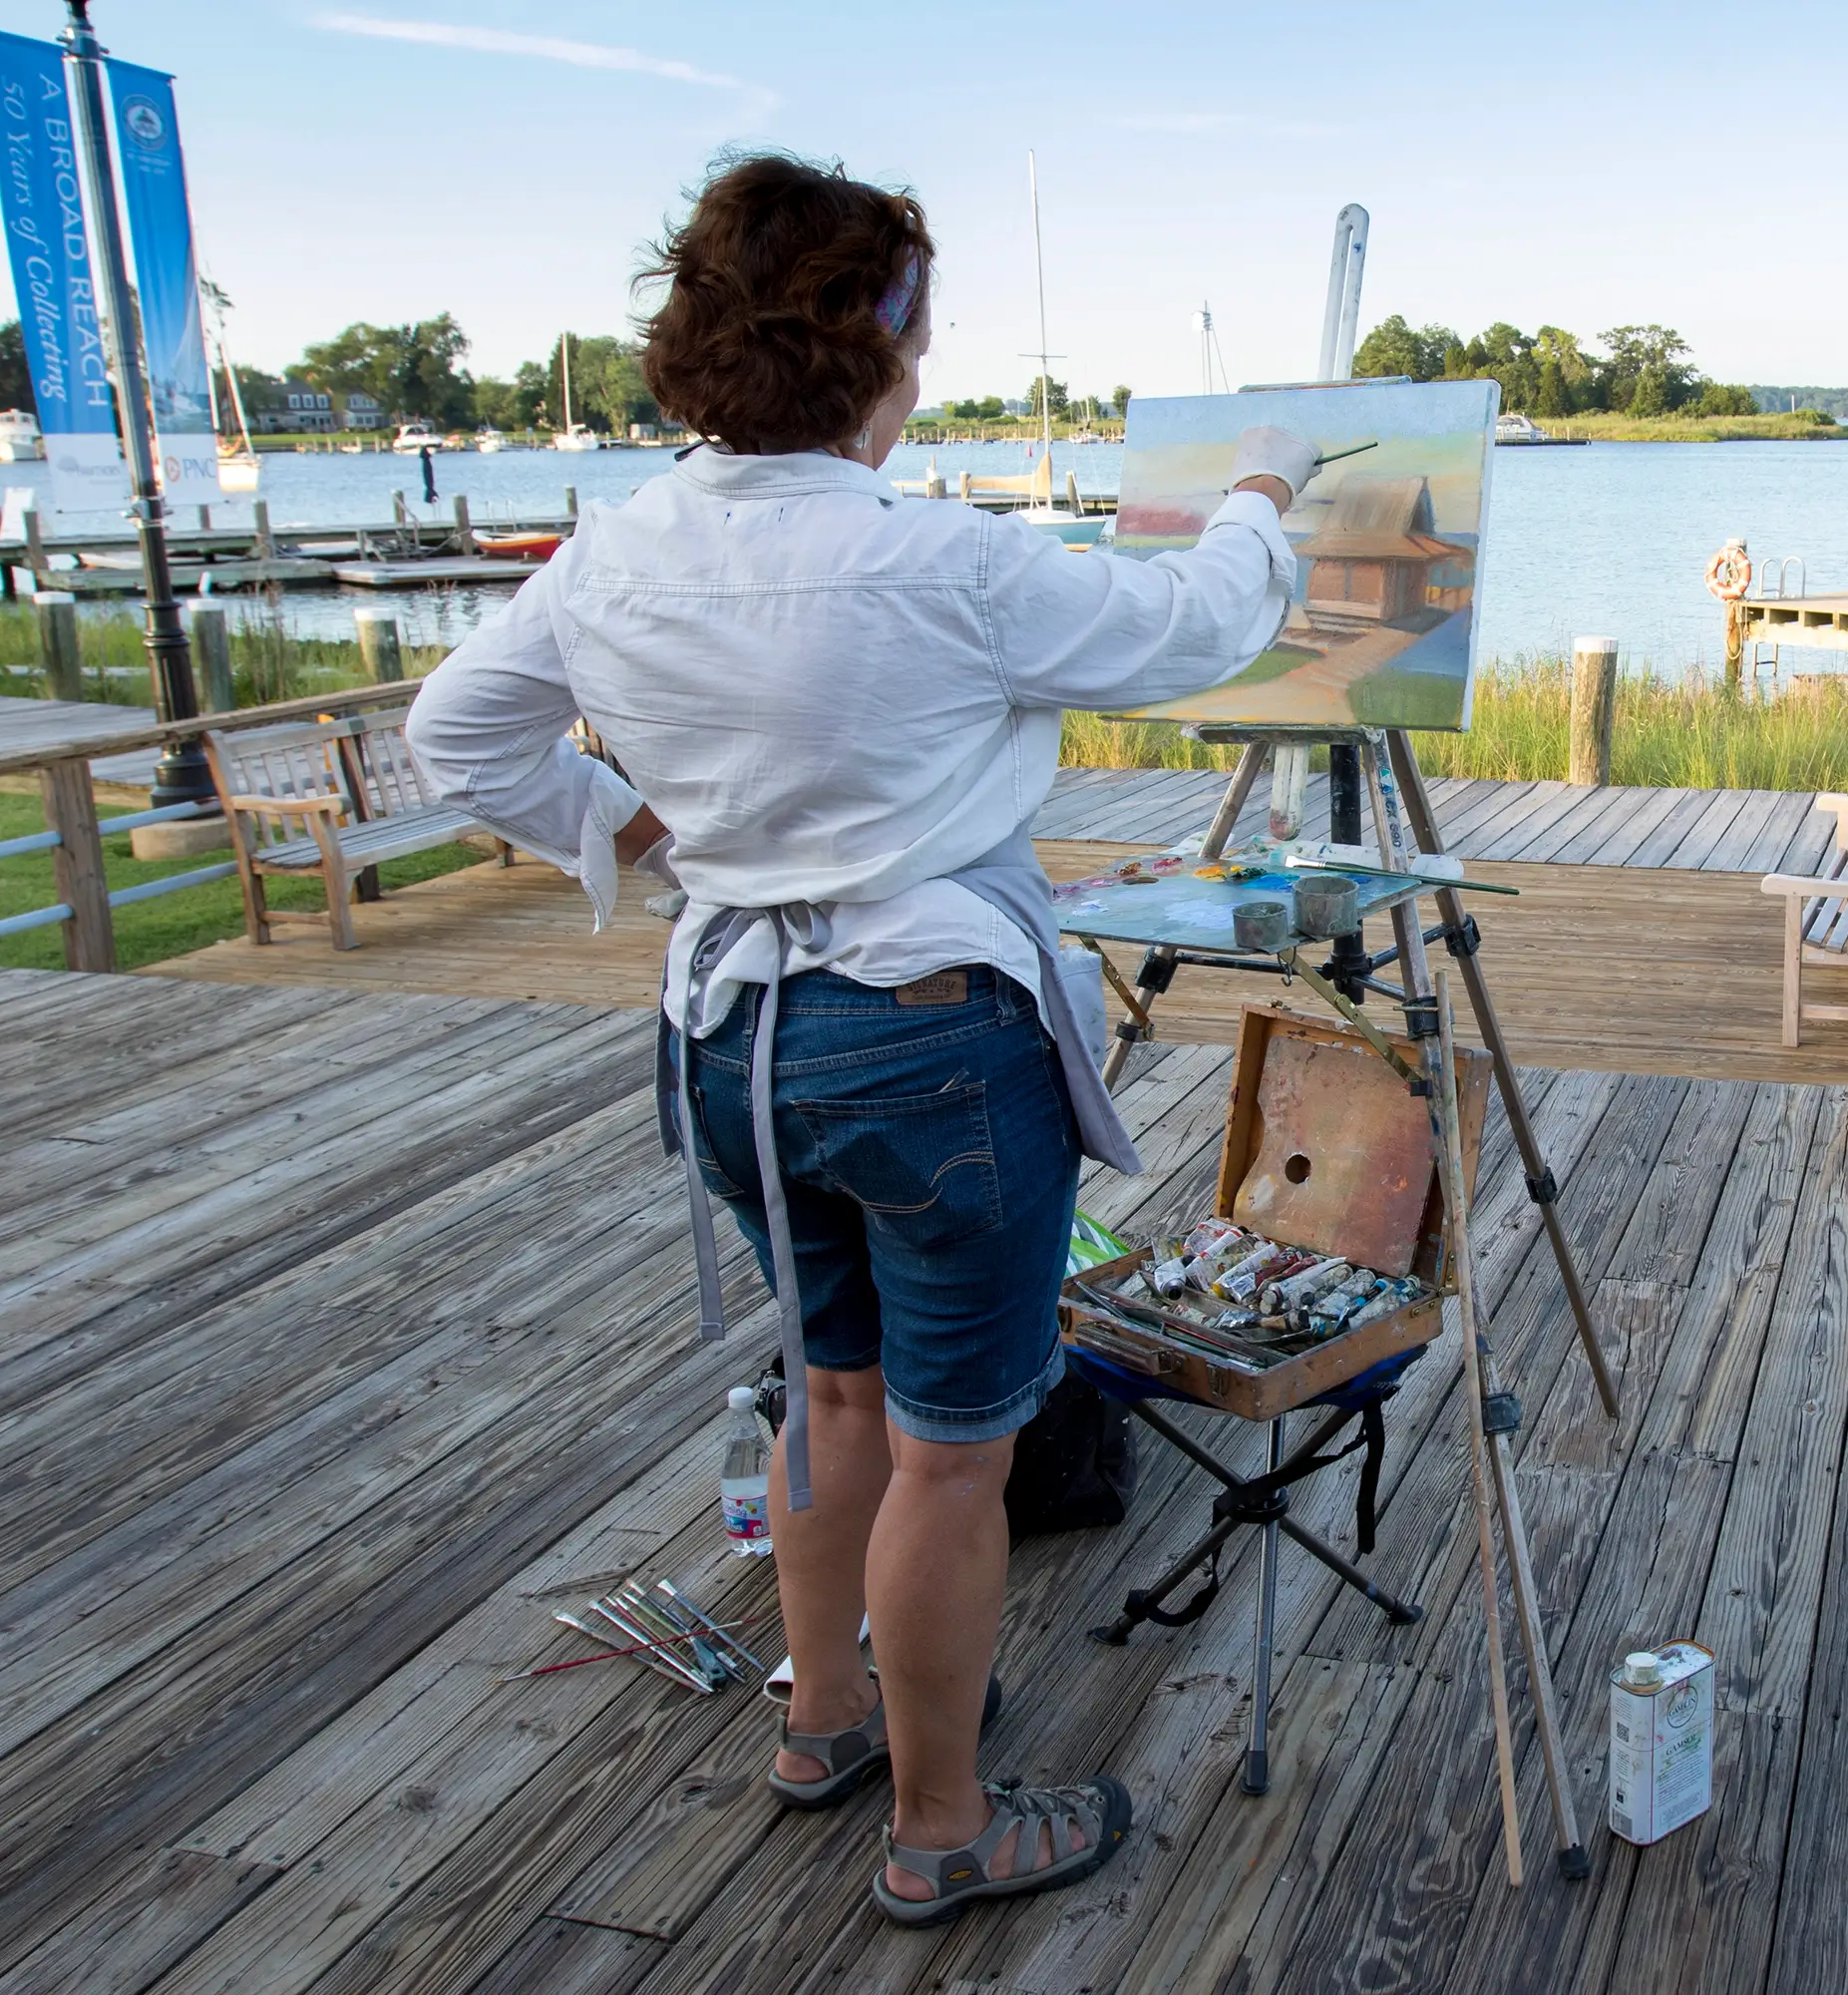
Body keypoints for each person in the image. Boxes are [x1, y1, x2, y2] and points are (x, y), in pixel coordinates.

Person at [405, 152, 1312, 1925]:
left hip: (732, 1037)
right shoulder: (937, 556)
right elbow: (1201, 624)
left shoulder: (623, 545)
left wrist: (637, 834)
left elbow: (462, 734)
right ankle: (944, 1820)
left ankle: (822, 1724)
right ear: (881, 348)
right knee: (954, 1450)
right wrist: (1262, 493)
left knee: (832, 1396)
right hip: (927, 1038)